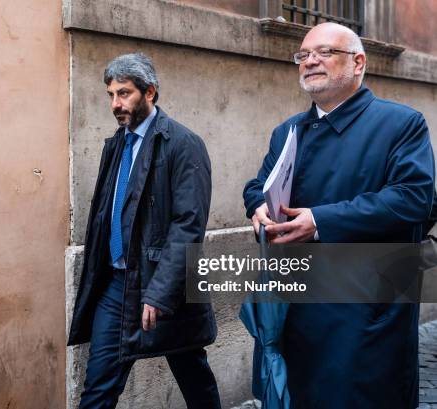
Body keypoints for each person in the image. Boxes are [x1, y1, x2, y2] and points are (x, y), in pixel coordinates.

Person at [243, 23, 434, 408]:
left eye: (325, 52)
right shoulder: (288, 131)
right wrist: (257, 207)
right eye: (303, 55)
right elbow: (258, 184)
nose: (310, 60)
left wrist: (320, 221)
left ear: (358, 63)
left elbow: (414, 198)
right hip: (294, 310)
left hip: (364, 316)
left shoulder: (401, 124)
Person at [68, 53, 221, 408]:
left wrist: (160, 293)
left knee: (193, 377)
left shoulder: (183, 144)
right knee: (99, 388)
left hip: (162, 285)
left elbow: (188, 225)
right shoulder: (116, 144)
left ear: (149, 92)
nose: (115, 103)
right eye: (110, 95)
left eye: (124, 93)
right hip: (117, 285)